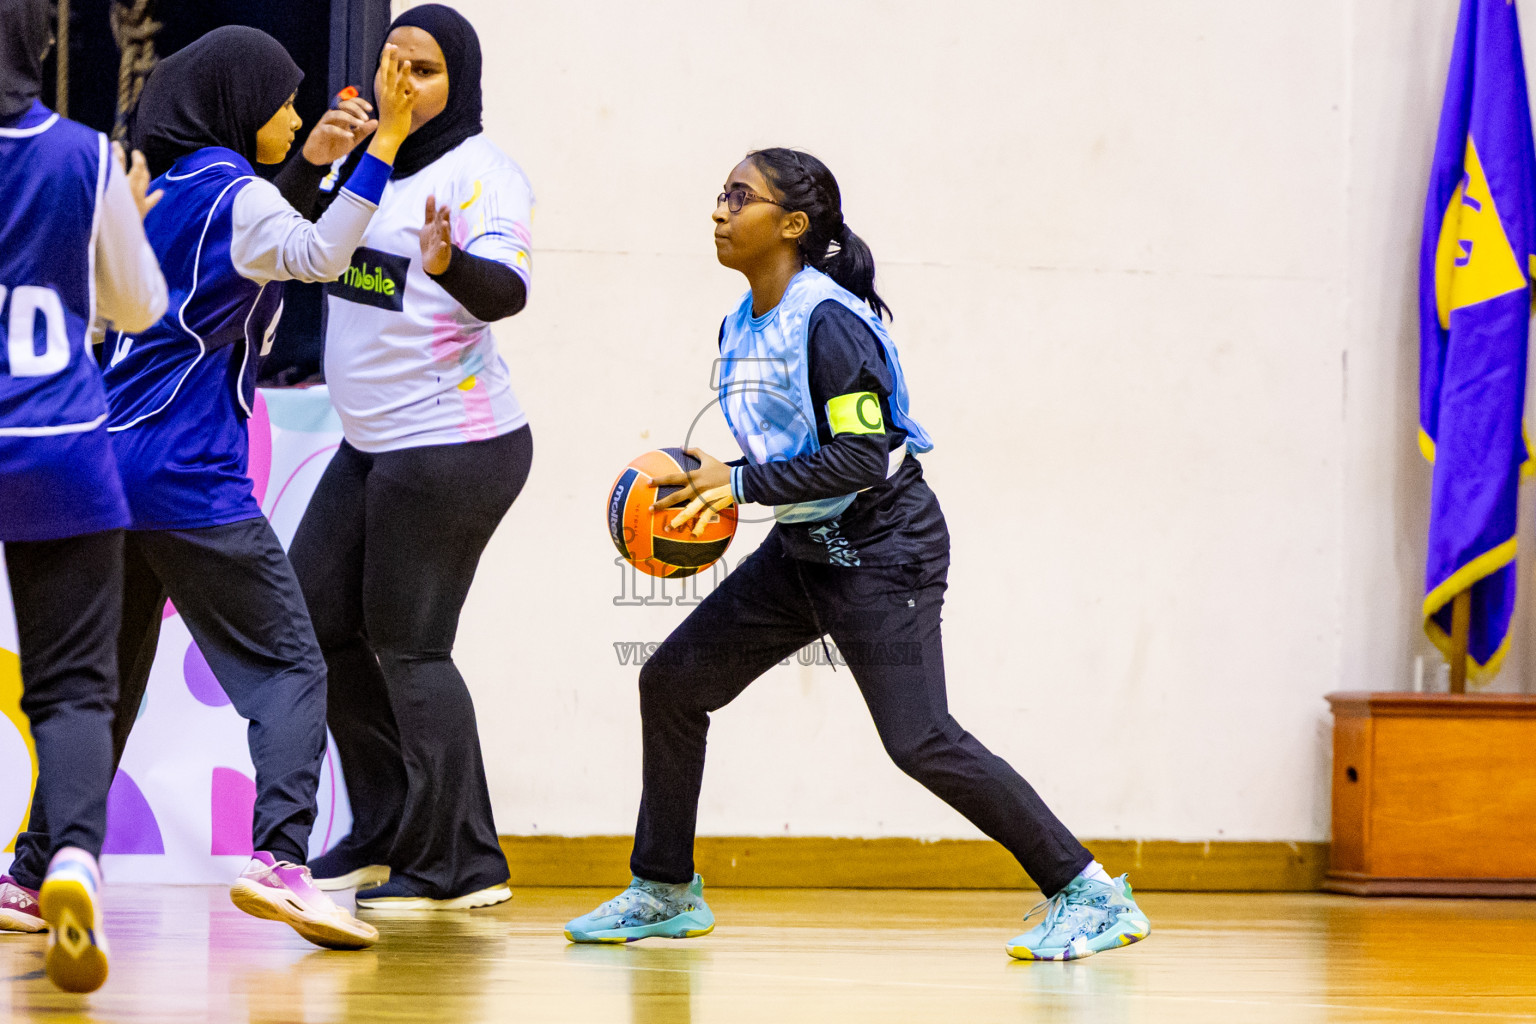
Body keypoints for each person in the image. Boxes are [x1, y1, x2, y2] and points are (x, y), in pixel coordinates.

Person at [564, 149, 1152, 961]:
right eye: (721, 193)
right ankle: (663, 889)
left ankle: (1091, 893)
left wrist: (736, 483)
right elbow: (790, 451)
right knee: (672, 682)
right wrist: (706, 487)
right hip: (809, 545)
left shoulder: (828, 321)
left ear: (793, 225)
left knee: (921, 739)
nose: (719, 209)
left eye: (741, 196)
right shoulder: (742, 321)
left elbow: (862, 457)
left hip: (884, 546)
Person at [4, 25, 418, 952]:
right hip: (187, 473)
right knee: (289, 666)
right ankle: (280, 861)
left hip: (106, 470)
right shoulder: (240, 198)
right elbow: (309, 254)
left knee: (101, 688)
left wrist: (311, 162)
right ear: (238, 105)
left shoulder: (174, 193)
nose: (301, 112)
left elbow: (255, 244)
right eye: (285, 99)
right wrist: (383, 146)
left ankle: (34, 873)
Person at [287, 4, 534, 912]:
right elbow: (301, 249)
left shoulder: (487, 177)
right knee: (314, 620)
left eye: (422, 69)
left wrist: (449, 266)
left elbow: (505, 293)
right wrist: (313, 163)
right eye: (392, 61)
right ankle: (387, 827)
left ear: (457, 83)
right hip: (372, 445)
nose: (400, 81)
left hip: (452, 450)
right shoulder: (367, 158)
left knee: (411, 649)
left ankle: (462, 864)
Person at [0, 0, 167, 991]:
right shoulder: (83, 156)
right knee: (72, 688)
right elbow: (138, 307)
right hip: (60, 446)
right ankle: (68, 861)